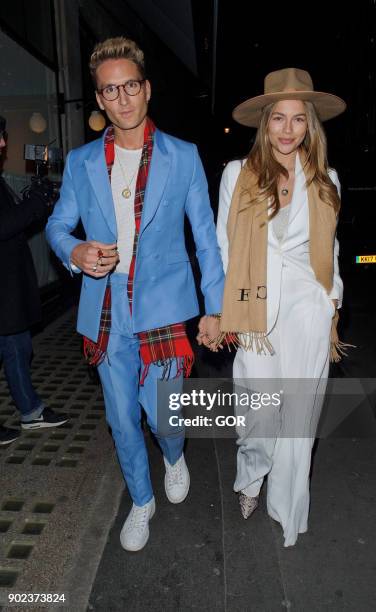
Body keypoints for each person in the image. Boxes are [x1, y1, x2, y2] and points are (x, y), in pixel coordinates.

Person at [46, 37, 224, 552]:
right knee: (120, 415)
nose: (121, 99)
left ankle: (173, 455)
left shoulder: (183, 157)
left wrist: (214, 309)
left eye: (129, 87)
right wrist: (75, 252)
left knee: (163, 414)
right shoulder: (81, 163)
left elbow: (206, 238)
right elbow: (59, 225)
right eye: (109, 91)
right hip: (104, 306)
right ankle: (141, 499)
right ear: (99, 100)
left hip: (165, 305)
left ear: (146, 90)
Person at [216, 68, 348, 547]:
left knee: (299, 419)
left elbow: (330, 250)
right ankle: (251, 476)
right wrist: (220, 310)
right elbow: (224, 248)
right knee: (259, 413)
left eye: (298, 119)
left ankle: (287, 507)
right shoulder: (238, 174)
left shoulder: (326, 179)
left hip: (308, 313)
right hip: (257, 313)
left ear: (310, 125)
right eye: (278, 118)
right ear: (265, 123)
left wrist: (331, 300)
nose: (288, 129)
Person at [0, 115, 68, 446]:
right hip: (3, 291)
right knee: (16, 348)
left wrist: (33, 202)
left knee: (18, 348)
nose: (3, 144)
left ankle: (31, 411)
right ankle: (31, 411)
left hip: (8, 288)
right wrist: (34, 204)